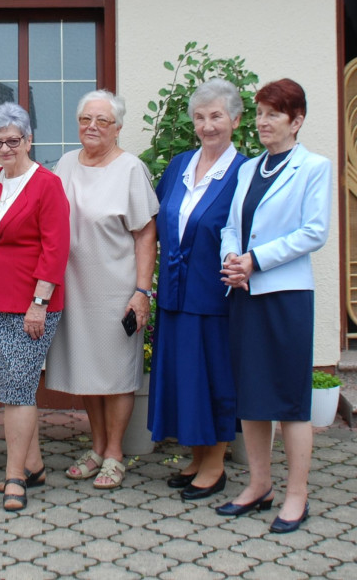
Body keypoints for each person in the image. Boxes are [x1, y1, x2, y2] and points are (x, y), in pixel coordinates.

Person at [218, 79, 331, 534]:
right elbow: (231, 224)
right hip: (245, 292)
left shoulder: (314, 167)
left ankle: (296, 495)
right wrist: (231, 256)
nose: (263, 122)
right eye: (260, 113)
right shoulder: (248, 169)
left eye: (273, 114)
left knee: (288, 399)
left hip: (285, 295)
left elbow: (314, 231)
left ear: (297, 120)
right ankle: (259, 485)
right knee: (251, 396)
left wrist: (256, 260)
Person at [46, 90, 159, 490]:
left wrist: (141, 292)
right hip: (74, 286)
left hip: (115, 287)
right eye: (85, 119)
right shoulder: (65, 164)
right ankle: (96, 447)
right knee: (87, 370)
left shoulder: (130, 169)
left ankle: (115, 454)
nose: (92, 127)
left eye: (102, 121)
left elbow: (146, 234)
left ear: (117, 128)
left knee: (116, 374)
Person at [147, 79, 247, 501]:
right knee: (184, 379)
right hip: (174, 294)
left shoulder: (244, 172)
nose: (208, 126)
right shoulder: (178, 166)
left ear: (236, 120)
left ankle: (216, 464)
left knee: (213, 378)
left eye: (217, 116)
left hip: (214, 297)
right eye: (201, 117)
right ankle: (197, 455)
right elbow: (157, 223)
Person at [0, 103, 70, 510]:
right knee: (7, 388)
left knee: (18, 392)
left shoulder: (47, 183)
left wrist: (39, 302)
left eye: (14, 140)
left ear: (29, 140)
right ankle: (34, 465)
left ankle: (14, 477)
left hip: (30, 304)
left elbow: (56, 247)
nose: (5, 148)